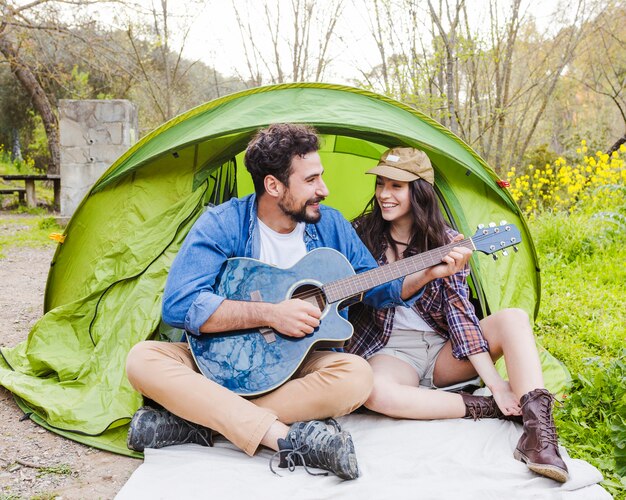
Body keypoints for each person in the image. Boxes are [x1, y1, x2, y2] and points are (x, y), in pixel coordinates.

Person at [124, 125, 471, 480]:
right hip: (217, 363)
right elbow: (181, 304)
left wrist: (429, 272)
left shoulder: (331, 225)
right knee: (143, 359)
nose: (324, 189)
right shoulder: (222, 223)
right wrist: (272, 314)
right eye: (312, 180)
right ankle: (284, 438)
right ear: (274, 186)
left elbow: (378, 286)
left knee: (356, 376)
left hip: (297, 365)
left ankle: (199, 422)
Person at [347, 147, 569, 483]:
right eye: (381, 184)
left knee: (513, 319)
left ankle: (538, 437)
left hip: (442, 350)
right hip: (390, 351)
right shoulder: (360, 233)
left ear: (419, 191)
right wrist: (495, 396)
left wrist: (495, 382)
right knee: (373, 392)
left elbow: (461, 317)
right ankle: (484, 407)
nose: (384, 195)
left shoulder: (448, 243)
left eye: (396, 186)